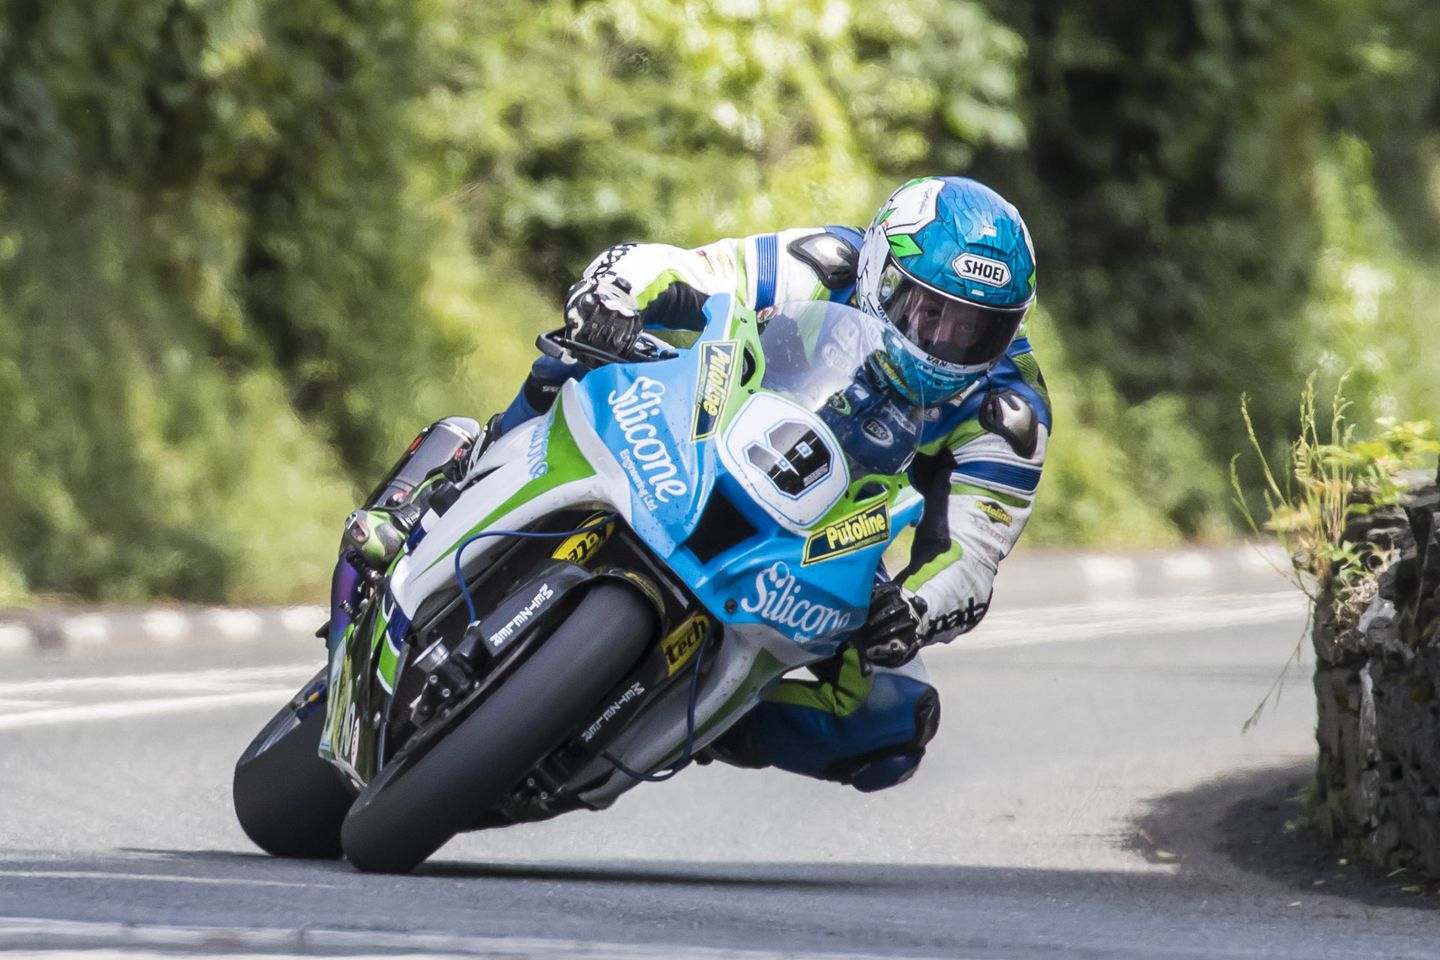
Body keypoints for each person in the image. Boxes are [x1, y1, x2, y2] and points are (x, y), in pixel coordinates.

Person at [340, 176, 1050, 793]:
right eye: (929, 311)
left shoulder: (1008, 412)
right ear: (882, 274)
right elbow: (691, 271)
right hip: (704, 428)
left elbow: (970, 561)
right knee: (573, 355)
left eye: (973, 331)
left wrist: (914, 612)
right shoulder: (828, 261)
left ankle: (694, 717)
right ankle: (440, 494)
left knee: (896, 720)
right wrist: (616, 292)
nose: (943, 340)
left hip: (820, 542)